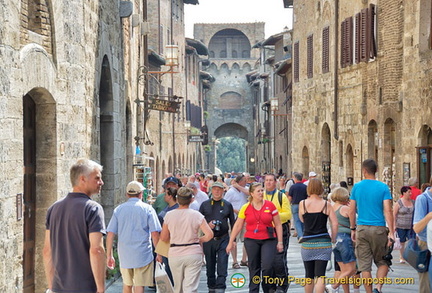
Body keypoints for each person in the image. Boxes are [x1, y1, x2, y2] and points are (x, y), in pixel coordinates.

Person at [43, 159, 106, 293]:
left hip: (59, 288)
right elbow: (97, 250)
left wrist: (51, 286)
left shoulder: (53, 209)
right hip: (85, 287)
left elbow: (47, 251)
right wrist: (100, 289)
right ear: (82, 179)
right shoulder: (93, 209)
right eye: (97, 178)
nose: (101, 182)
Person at [226, 182, 283, 293]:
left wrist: (280, 241)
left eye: (262, 190)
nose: (261, 193)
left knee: (267, 266)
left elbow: (278, 224)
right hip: (251, 240)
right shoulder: (245, 207)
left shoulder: (270, 205)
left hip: (268, 239)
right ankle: (253, 290)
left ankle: (268, 289)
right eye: (258, 191)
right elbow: (238, 225)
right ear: (252, 193)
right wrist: (231, 241)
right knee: (254, 267)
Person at [106, 181, 162, 293]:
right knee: (139, 285)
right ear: (141, 194)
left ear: (127, 194)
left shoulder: (119, 209)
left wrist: (109, 255)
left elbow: (110, 233)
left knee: (127, 284)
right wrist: (159, 253)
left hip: (125, 253)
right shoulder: (148, 209)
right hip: (143, 253)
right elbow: (154, 233)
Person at [349, 159, 394, 293]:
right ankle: (378, 287)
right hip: (379, 229)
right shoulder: (383, 187)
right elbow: (388, 210)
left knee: (364, 266)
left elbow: (351, 210)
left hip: (362, 228)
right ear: (376, 171)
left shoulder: (357, 187)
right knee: (383, 261)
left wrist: (353, 228)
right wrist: (391, 232)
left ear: (364, 171)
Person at [160, 187, 213, 293]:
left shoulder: (169, 215)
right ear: (191, 200)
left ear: (177, 199)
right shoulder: (197, 215)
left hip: (175, 253)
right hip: (193, 251)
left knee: (178, 287)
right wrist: (199, 240)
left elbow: (164, 237)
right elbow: (209, 235)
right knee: (190, 287)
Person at [298, 178, 337, 293]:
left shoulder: (302, 204)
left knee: (308, 274)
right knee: (320, 275)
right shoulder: (326, 204)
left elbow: (302, 220)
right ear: (321, 189)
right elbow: (334, 224)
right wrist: (333, 238)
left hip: (307, 243)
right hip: (323, 242)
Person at [199, 182, 236, 293]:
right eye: (214, 189)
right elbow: (198, 221)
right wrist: (207, 225)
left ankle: (220, 287)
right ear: (211, 190)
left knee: (222, 263)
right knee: (210, 264)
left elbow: (233, 223)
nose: (217, 191)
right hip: (209, 239)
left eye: (219, 189)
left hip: (223, 238)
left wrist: (233, 240)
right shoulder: (204, 204)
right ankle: (211, 286)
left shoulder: (227, 205)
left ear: (223, 191)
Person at [263, 174, 292, 293]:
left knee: (279, 259)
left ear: (275, 182)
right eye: (267, 181)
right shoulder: (261, 195)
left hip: (280, 230)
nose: (269, 183)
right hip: (265, 231)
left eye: (271, 180)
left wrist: (273, 216)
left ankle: (282, 284)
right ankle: (270, 285)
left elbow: (287, 214)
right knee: (267, 261)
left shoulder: (281, 196)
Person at [326, 187, 356, 293]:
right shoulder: (345, 209)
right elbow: (354, 224)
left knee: (344, 271)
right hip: (344, 238)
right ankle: (333, 287)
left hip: (334, 240)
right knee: (352, 269)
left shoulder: (331, 208)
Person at [223, 174, 249, 268]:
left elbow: (249, 193)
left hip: (245, 218)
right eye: (244, 181)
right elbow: (226, 204)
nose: (246, 182)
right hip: (234, 218)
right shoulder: (230, 192)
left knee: (246, 239)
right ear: (240, 181)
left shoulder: (244, 189)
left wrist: (238, 186)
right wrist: (234, 210)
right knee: (234, 239)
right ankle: (234, 261)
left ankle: (244, 259)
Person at [413, 176, 432, 293]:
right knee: (426, 284)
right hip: (426, 244)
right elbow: (416, 228)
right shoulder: (423, 199)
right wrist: (429, 216)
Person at [393, 186, 414, 263]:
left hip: (411, 226)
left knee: (412, 241)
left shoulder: (413, 202)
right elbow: (394, 214)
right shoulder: (399, 203)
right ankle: (402, 257)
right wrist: (394, 225)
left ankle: (410, 256)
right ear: (404, 193)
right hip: (401, 225)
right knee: (402, 241)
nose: (410, 194)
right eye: (409, 192)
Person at [289, 172, 308, 239]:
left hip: (295, 205)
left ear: (296, 179)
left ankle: (300, 235)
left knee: (296, 220)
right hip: (303, 205)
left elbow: (290, 197)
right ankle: (303, 233)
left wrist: (289, 204)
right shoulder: (305, 187)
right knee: (303, 220)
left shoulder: (293, 187)